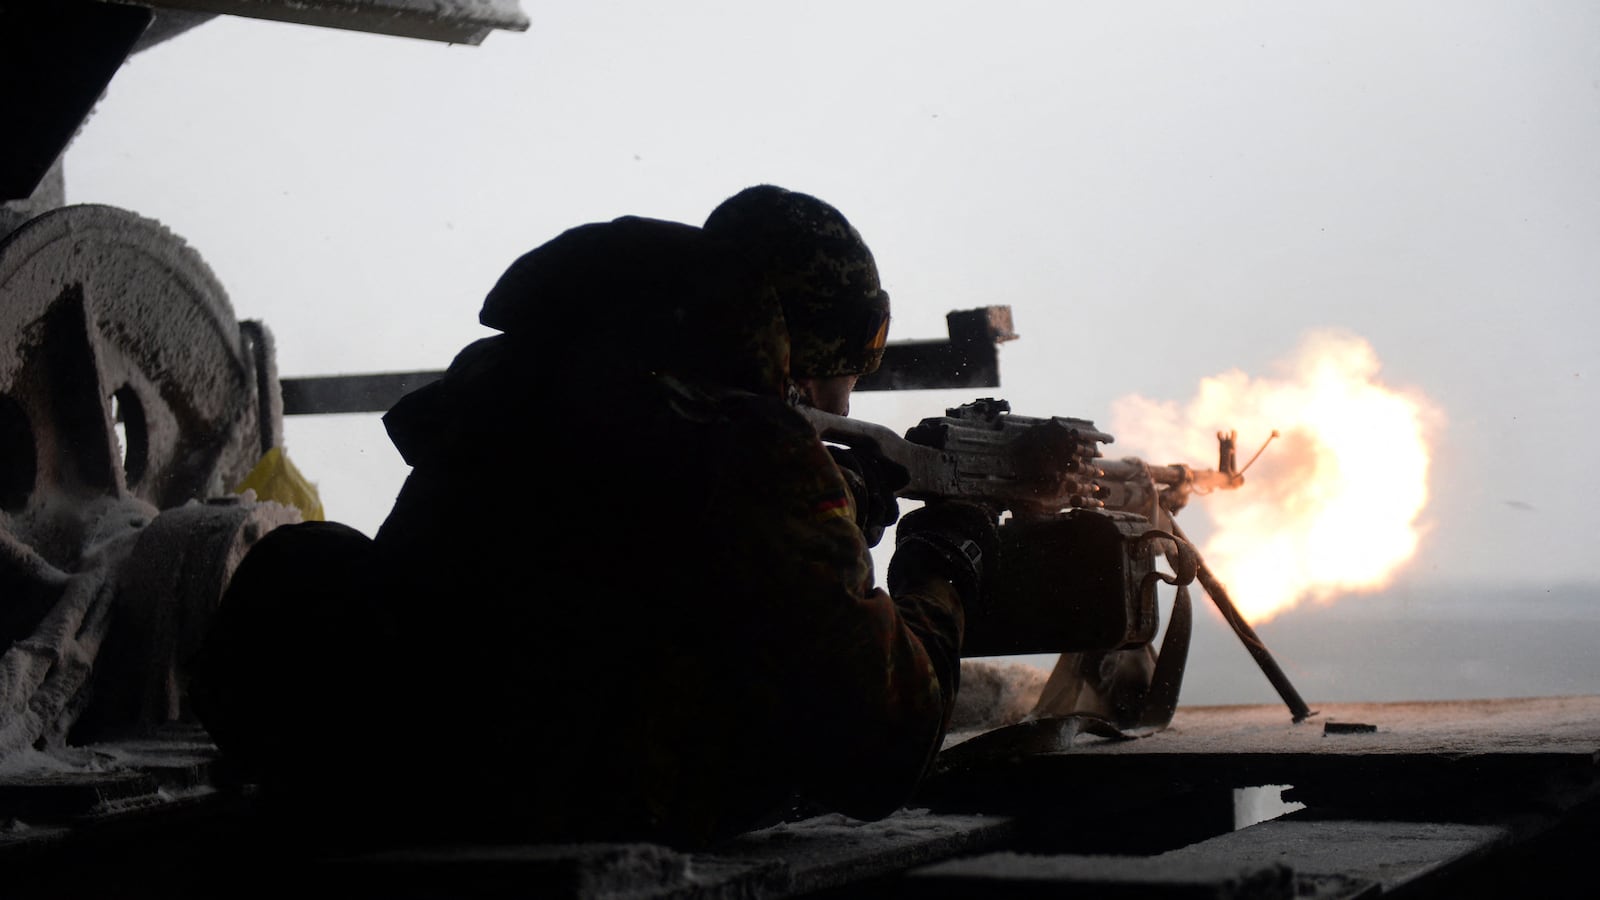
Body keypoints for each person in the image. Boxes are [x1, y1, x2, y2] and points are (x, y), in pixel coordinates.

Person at [188, 191, 999, 851]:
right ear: (799, 358)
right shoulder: (753, 452)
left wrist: (835, 504)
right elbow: (884, 747)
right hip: (561, 810)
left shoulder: (518, 387)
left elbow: (633, 548)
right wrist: (944, 557)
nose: (842, 408)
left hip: (396, 773)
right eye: (844, 376)